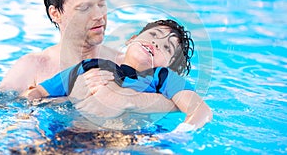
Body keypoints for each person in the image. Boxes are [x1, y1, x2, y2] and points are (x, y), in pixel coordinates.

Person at [0, 0, 177, 113]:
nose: (98, 15)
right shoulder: (33, 68)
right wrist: (69, 98)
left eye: (101, 4)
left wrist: (127, 100)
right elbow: (0, 109)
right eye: (84, 8)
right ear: (55, 14)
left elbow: (185, 102)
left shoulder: (129, 63)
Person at [22, 19, 213, 131]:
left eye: (166, 48)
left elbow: (200, 110)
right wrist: (25, 116)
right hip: (73, 131)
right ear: (132, 39)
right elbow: (36, 93)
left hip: (129, 139)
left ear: (169, 65)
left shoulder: (162, 77)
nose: (156, 44)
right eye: (153, 36)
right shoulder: (89, 66)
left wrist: (179, 135)